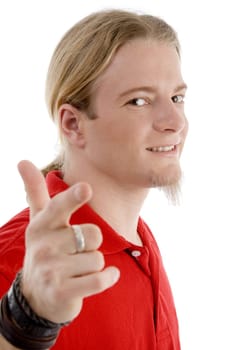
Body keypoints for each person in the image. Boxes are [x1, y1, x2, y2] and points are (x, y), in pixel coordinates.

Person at [0, 8, 188, 350]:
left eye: (177, 97)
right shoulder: (25, 262)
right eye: (139, 100)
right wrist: (28, 321)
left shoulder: (138, 241)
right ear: (73, 124)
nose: (175, 120)